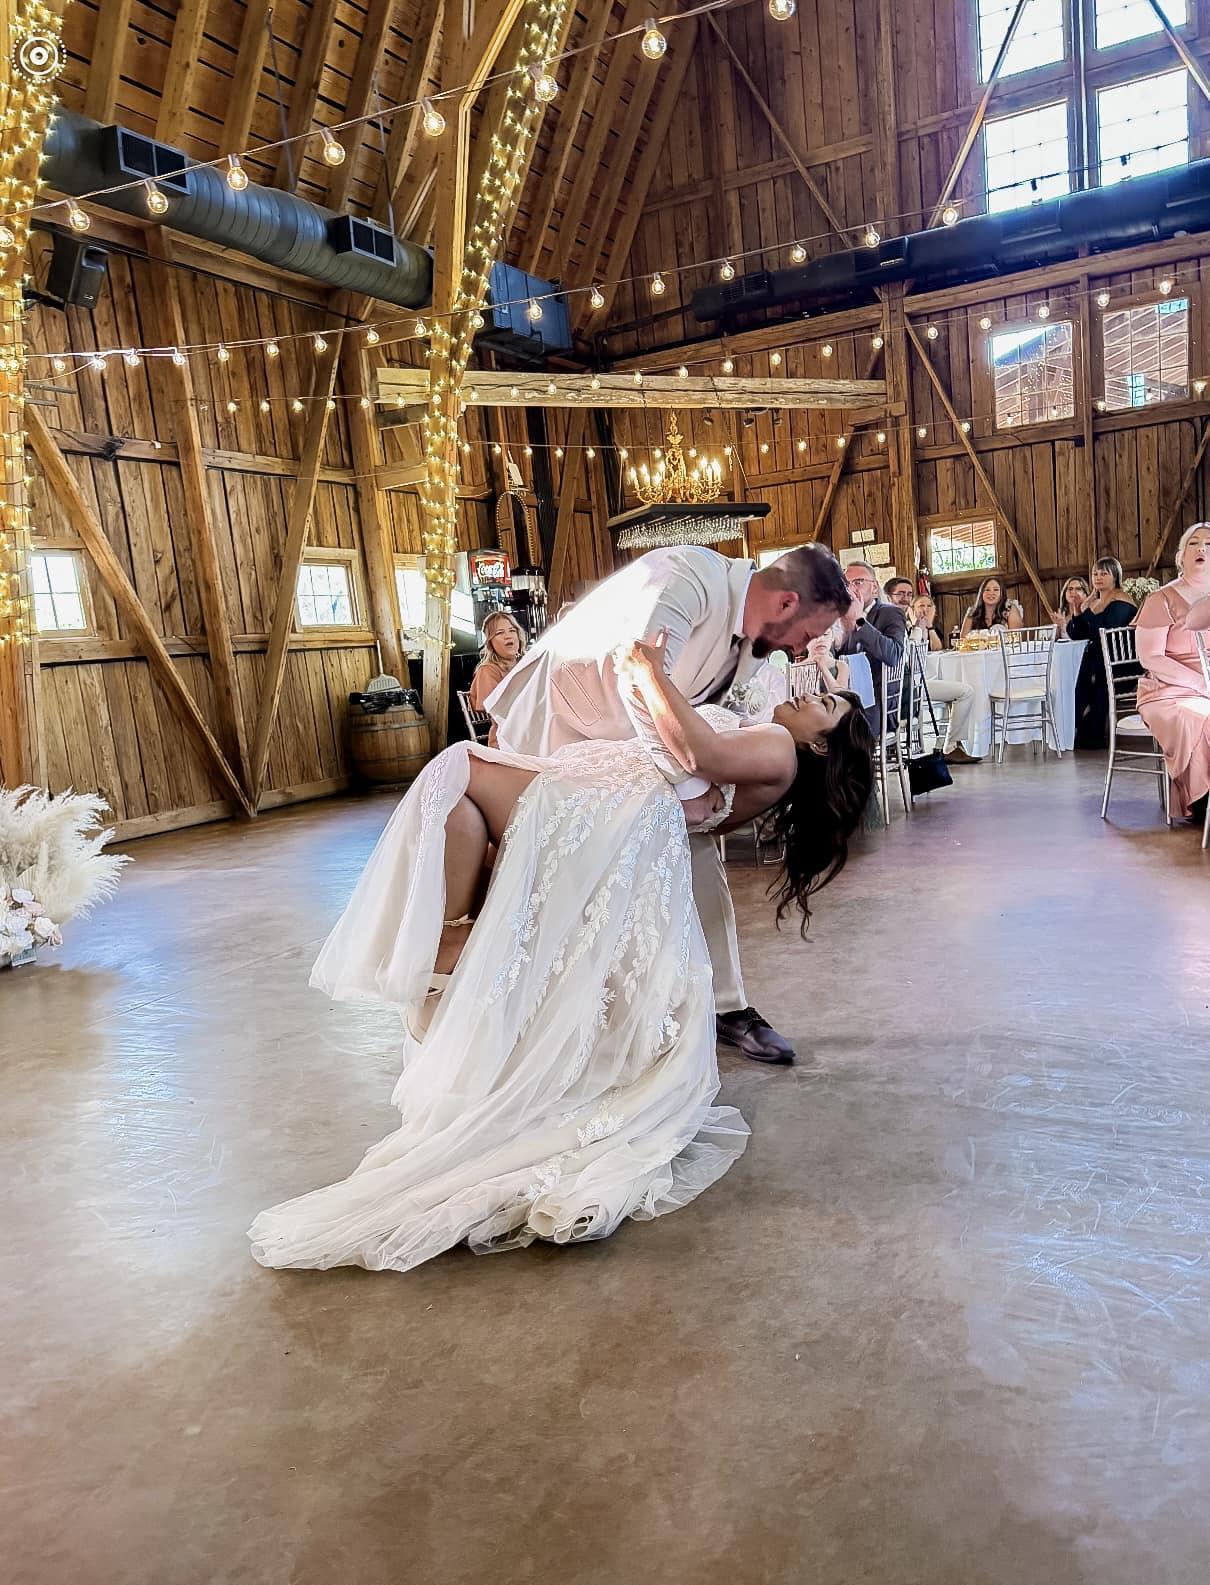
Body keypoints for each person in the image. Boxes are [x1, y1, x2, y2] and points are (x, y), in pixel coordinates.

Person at [248, 638, 874, 1274]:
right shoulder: (766, 737)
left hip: (616, 807)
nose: (809, 697)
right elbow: (693, 774)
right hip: (621, 801)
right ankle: (454, 948)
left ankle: (451, 948)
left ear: (821, 746)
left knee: (454, 770)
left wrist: (649, 671)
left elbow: (699, 752)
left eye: (823, 706)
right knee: (462, 805)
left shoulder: (778, 746)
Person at [487, 543, 854, 1065]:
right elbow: (638, 679)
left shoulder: (756, 643)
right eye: (809, 633)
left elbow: (696, 712)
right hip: (558, 728)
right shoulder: (686, 578)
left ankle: (727, 1006)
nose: (802, 650)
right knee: (555, 878)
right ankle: (539, 1017)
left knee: (694, 853)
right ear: (786, 603)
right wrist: (688, 792)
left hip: (630, 754)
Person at [1135, 523, 1210, 823]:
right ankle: (1202, 800)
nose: (1202, 548)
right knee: (1199, 718)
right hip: (1168, 689)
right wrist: (1199, 683)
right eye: (1194, 543)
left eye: (1209, 544)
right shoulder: (1161, 599)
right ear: (1181, 556)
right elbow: (1150, 657)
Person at [1064, 557, 1137, 751]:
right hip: (1099, 662)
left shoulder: (1121, 599)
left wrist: (1085, 612)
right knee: (1078, 676)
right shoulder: (1094, 602)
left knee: (1093, 675)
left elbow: (1104, 630)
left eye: (1104, 573)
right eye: (1095, 573)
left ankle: (1092, 731)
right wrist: (1077, 611)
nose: (1098, 577)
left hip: (1120, 664)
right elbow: (1076, 633)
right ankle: (1078, 727)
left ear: (1115, 576)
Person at [905, 594, 979, 762]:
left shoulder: (930, 629)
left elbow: (937, 648)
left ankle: (952, 745)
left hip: (924, 681)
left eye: (929, 606)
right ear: (911, 609)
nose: (925, 610)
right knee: (965, 692)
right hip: (913, 685)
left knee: (963, 691)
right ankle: (951, 746)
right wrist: (917, 627)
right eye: (921, 606)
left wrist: (929, 627)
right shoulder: (906, 628)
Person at [836, 557, 906, 732]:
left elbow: (893, 655)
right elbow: (839, 658)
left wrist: (860, 621)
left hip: (880, 699)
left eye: (858, 582)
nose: (851, 589)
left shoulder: (891, 613)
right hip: (848, 692)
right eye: (846, 584)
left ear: (874, 587)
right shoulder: (842, 616)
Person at [467, 611, 527, 747]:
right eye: (500, 633)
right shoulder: (487, 670)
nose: (508, 636)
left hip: (537, 733)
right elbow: (498, 711)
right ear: (490, 642)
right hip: (508, 742)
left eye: (512, 630)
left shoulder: (527, 663)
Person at [958, 576, 1024, 640]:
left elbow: (1016, 636)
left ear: (1002, 593)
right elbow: (963, 639)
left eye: (996, 589)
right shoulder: (972, 611)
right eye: (987, 590)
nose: (991, 593)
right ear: (981, 593)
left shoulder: (1009, 608)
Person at [804, 619, 851, 692]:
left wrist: (822, 666)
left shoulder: (841, 666)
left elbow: (840, 695)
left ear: (832, 637)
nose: (820, 639)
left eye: (825, 634)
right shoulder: (796, 668)